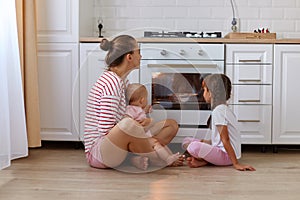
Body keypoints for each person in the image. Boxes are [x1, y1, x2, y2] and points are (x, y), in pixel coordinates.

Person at [84, 35, 182, 171]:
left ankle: (136, 158)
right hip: (100, 153)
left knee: (171, 125)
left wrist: (144, 122)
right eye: (138, 52)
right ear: (129, 57)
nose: (141, 57)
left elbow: (129, 112)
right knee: (129, 125)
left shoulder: (123, 81)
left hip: (118, 144)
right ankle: (159, 159)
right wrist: (137, 128)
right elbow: (105, 130)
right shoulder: (112, 84)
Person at [182, 74, 255, 171]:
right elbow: (221, 139)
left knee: (193, 147)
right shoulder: (223, 109)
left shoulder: (219, 111)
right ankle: (204, 161)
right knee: (186, 141)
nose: (203, 93)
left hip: (226, 156)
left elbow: (226, 139)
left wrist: (236, 164)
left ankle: (206, 161)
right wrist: (207, 142)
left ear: (211, 93)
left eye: (204, 90)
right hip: (224, 151)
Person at [125, 83, 182, 166]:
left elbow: (138, 115)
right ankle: (167, 159)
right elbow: (127, 121)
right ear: (142, 100)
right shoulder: (129, 110)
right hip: (139, 137)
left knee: (158, 143)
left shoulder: (136, 109)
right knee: (156, 144)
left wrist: (145, 111)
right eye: (147, 98)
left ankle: (170, 156)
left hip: (145, 134)